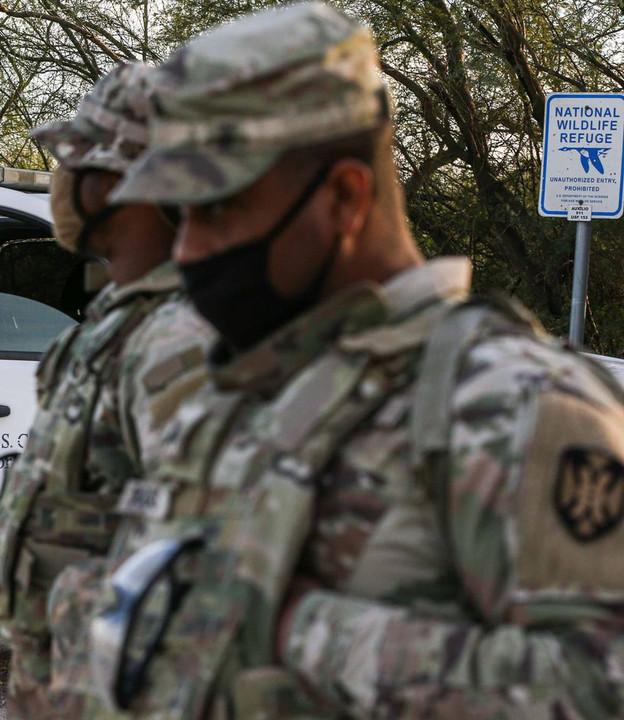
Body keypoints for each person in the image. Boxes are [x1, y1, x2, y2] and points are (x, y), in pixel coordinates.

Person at [82, 3, 624, 718]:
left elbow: (597, 685)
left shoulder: (514, 403)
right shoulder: (239, 390)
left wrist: (291, 627)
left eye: (219, 210)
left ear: (344, 196)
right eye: (181, 217)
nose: (187, 252)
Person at [0, 61, 214, 719]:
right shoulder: (120, 317)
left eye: (75, 162)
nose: (63, 182)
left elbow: (208, 575)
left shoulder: (181, 340)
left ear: (116, 182)